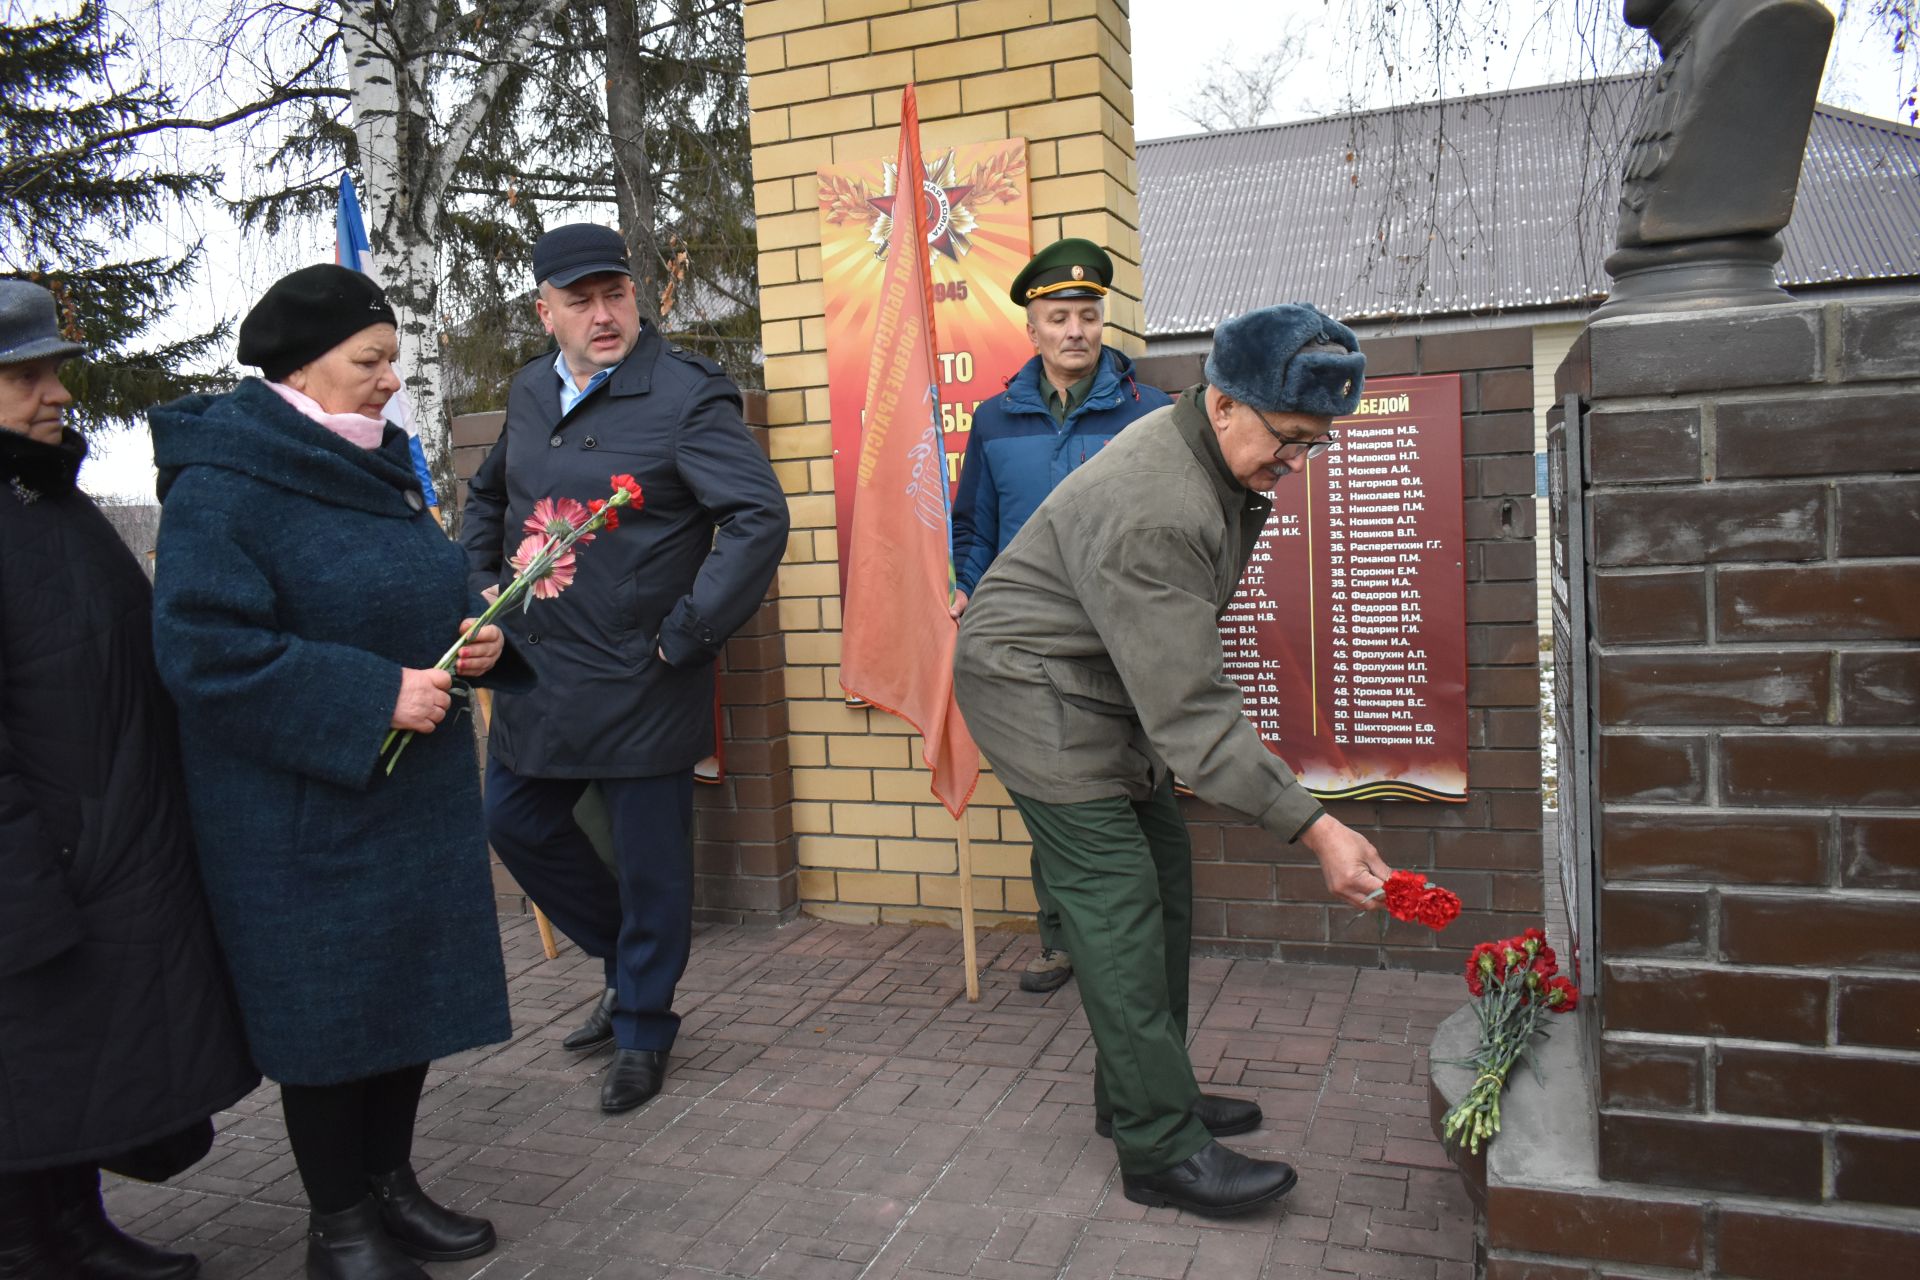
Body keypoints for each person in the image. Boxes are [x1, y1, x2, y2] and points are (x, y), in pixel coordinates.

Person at [952, 303, 1396, 1218]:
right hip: (1033, 687)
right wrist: (1317, 832)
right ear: (1225, 404)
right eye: (1289, 438)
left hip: (1099, 676)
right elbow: (1193, 714)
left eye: (1316, 445)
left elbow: (1170, 670)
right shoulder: (1161, 505)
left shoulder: (1207, 450)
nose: (1297, 463)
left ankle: (1147, 1094)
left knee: (1166, 876)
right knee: (1116, 904)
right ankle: (1159, 1151)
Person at [150, 265, 525, 1280]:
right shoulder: (224, 484)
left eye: (394, 361)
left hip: (406, 796)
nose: (388, 382)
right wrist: (369, 698)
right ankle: (338, 1221)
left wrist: (477, 637)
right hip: (301, 810)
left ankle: (391, 1182)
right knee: (330, 1015)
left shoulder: (378, 466)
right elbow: (205, 652)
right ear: (301, 365)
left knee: (404, 994)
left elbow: (426, 590)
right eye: (370, 361)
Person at [460, 224, 789, 1115]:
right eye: (580, 301)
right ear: (546, 312)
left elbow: (758, 516)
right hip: (540, 666)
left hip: (646, 671)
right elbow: (491, 494)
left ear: (636, 297)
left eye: (615, 294)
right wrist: (481, 584)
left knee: (652, 867)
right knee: (511, 821)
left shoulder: (684, 395)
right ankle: (627, 960)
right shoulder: (531, 392)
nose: (603, 316)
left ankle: (644, 1025)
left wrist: (689, 633)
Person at [0, 279, 260, 1280]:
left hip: (95, 844)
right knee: (24, 1072)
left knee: (72, 1063)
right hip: (41, 860)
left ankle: (75, 1225)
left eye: (55, 368)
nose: (55, 390)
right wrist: (26, 881)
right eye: (26, 375)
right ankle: (27, 1245)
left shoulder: (45, 498)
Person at [949, 238, 1172, 996]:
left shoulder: (1153, 414)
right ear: (1032, 328)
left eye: (1088, 314)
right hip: (1030, 649)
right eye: (1058, 316)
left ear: (1104, 321)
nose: (1075, 329)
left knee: (1125, 787)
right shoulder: (994, 421)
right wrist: (971, 594)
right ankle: (1062, 937)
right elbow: (974, 523)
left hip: (1123, 640)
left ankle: (1130, 933)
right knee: (1054, 791)